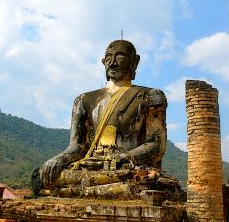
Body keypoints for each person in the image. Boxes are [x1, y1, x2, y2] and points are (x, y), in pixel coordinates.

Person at [37, 38, 167, 192]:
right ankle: (96, 189)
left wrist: (125, 157)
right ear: (103, 62)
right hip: (93, 165)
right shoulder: (84, 100)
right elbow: (77, 146)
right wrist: (58, 159)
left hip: (124, 168)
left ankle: (81, 191)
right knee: (42, 176)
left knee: (135, 179)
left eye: (120, 56)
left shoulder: (150, 96)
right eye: (108, 59)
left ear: (135, 62)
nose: (112, 63)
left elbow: (157, 145)